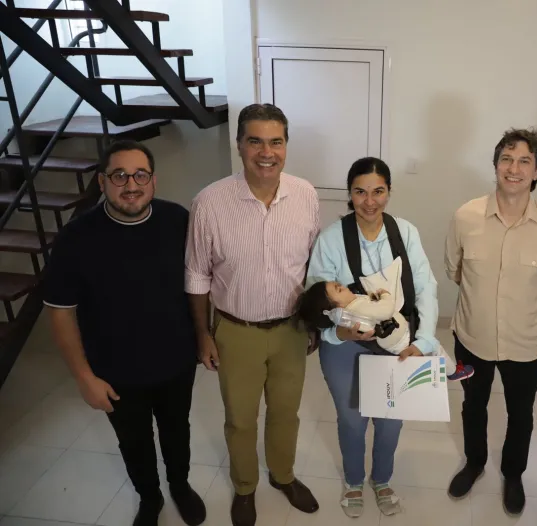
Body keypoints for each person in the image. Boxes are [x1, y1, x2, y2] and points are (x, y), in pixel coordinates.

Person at [43, 140, 206, 526]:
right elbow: (61, 313)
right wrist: (84, 377)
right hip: (114, 371)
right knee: (134, 441)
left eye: (140, 175)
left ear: (153, 180)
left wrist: (203, 337)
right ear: (102, 182)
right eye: (119, 175)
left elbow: (198, 283)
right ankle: (150, 498)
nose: (131, 185)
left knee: (176, 430)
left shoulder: (178, 221)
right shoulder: (75, 238)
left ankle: (179, 485)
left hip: (176, 361)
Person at [185, 103, 320, 526]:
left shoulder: (306, 195)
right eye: (255, 141)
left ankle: (283, 475)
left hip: (291, 329)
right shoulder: (209, 202)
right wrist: (203, 335)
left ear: (286, 146)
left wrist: (314, 321)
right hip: (236, 331)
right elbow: (196, 274)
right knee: (241, 419)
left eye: (276, 142)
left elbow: (313, 265)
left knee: (285, 412)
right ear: (239, 145)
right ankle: (245, 487)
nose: (266, 152)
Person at [444, 127, 537, 516]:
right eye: (506, 159)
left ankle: (513, 474)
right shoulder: (465, 216)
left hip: (525, 344)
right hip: (472, 338)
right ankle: (474, 463)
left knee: (521, 414)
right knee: (473, 405)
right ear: (496, 165)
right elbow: (455, 269)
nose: (513, 169)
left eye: (524, 161)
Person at [305, 156, 440, 518]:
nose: (369, 201)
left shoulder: (405, 233)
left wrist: (424, 341)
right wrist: (339, 330)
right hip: (345, 343)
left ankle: (382, 479)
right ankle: (353, 480)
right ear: (349, 194)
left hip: (396, 341)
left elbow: (425, 287)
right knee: (352, 418)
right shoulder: (332, 238)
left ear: (389, 192)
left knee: (391, 417)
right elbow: (316, 298)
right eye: (360, 192)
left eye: (378, 191)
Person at [296, 275, 473, 380]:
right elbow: (386, 310)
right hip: (402, 338)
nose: (342, 285)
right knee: (433, 345)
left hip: (398, 337)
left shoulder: (352, 309)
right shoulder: (357, 309)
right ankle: (452, 372)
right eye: (338, 289)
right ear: (335, 310)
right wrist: (386, 295)